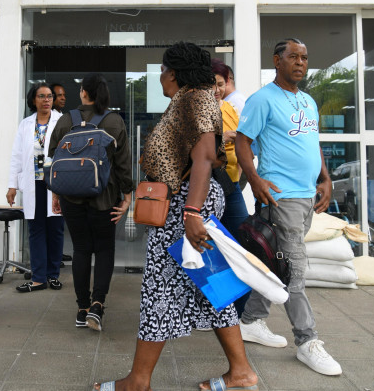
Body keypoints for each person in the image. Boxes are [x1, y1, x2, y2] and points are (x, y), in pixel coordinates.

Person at [95, 42, 257, 391]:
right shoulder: (194, 98)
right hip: (188, 202)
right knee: (210, 285)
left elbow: (204, 157)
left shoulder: (194, 99)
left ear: (174, 72)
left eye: (162, 70)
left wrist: (192, 212)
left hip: (184, 204)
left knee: (159, 286)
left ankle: (138, 381)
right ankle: (241, 371)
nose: (160, 78)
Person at [234, 38, 341, 376]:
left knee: (276, 263)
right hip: (280, 197)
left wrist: (325, 179)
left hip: (306, 195)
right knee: (294, 269)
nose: (300, 63)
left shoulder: (308, 101)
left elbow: (313, 142)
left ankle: (251, 320)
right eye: (293, 56)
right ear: (277, 61)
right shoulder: (262, 99)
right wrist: (254, 179)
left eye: (304, 58)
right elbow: (242, 141)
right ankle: (307, 341)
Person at [49, 73, 132, 331]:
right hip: (105, 197)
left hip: (71, 196)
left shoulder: (66, 120)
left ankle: (81, 308)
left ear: (83, 92)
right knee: (105, 249)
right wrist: (127, 195)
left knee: (81, 249)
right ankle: (97, 305)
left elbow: (54, 157)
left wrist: (56, 193)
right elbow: (123, 163)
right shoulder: (114, 121)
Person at [7, 83, 64, 293]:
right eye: (42, 96)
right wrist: (12, 185)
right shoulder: (25, 124)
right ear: (34, 100)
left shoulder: (62, 121)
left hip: (55, 183)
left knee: (55, 229)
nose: (46, 100)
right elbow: (17, 156)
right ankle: (39, 277)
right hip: (33, 183)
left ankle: (53, 275)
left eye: (49, 96)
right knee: (36, 229)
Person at [211, 58, 251, 316]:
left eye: (221, 84)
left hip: (232, 184)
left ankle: (236, 313)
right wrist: (222, 138)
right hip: (209, 185)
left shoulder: (229, 108)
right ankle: (215, 309)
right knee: (211, 250)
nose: (217, 89)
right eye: (212, 84)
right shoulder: (199, 110)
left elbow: (243, 141)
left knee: (242, 244)